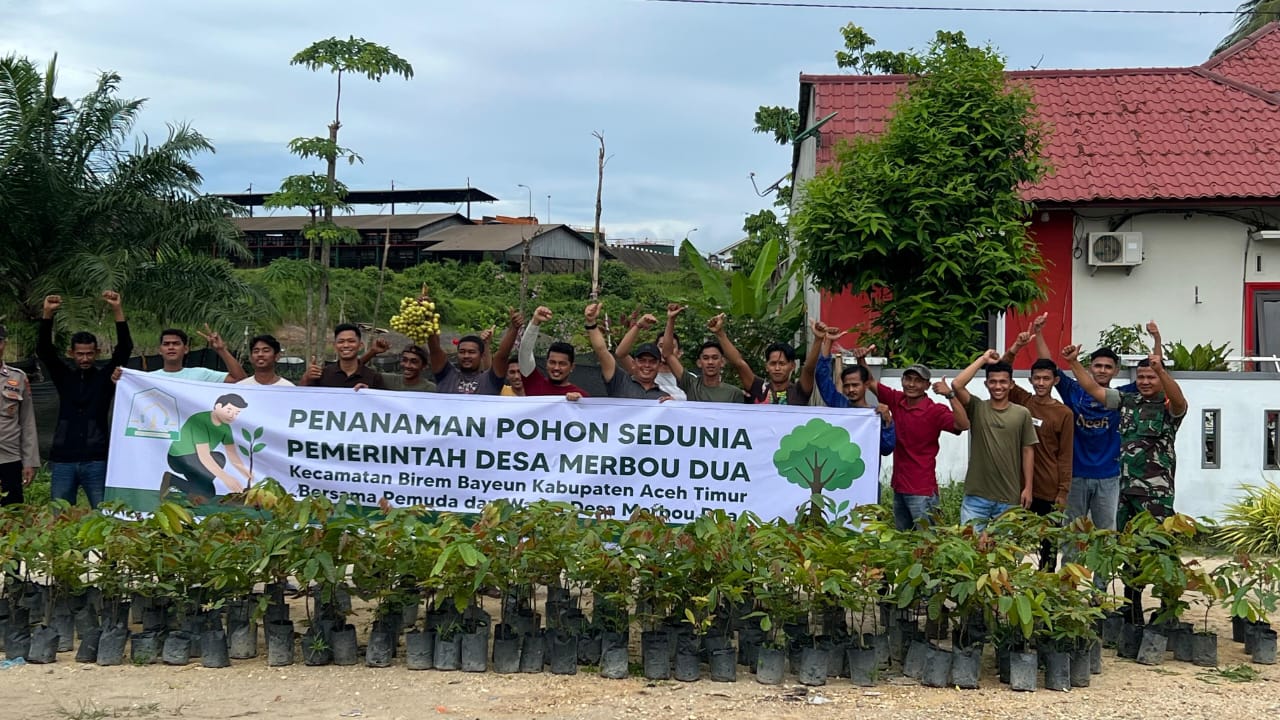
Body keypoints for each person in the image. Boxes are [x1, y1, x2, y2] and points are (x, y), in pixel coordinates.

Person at [1062, 322, 1187, 623]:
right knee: (1125, 548)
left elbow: (1179, 398)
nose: (1144, 381)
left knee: (1157, 548)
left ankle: (1167, 608)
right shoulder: (1126, 401)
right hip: (1123, 490)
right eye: (1141, 376)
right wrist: (1073, 363)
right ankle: (1132, 607)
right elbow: (1093, 388)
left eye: (1150, 376)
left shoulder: (1169, 408)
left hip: (1155, 495)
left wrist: (1160, 357)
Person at [1018, 313, 1130, 534]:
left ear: (1116, 370)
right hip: (1076, 475)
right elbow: (1049, 367)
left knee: (1105, 533)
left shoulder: (1123, 397)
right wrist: (1039, 333)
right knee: (1071, 533)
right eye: (1098, 366)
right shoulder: (1073, 390)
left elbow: (1153, 378)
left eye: (1108, 367)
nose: (1102, 370)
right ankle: (1070, 571)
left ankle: (1102, 571)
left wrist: (1156, 340)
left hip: (1108, 476)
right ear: (1089, 367)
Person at [37, 291, 133, 507]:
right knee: (60, 517)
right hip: (63, 459)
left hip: (96, 459)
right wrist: (47, 314)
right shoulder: (64, 377)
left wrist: (117, 310)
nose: (85, 358)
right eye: (80, 354)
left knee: (103, 516)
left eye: (89, 353)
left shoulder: (105, 378)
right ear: (71, 353)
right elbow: (45, 351)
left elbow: (124, 349)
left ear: (96, 352)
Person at [858, 349, 969, 529]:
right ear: (902, 381)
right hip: (899, 487)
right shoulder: (897, 400)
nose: (911, 384)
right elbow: (870, 381)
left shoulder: (935, 411)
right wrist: (861, 359)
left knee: (927, 544)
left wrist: (950, 395)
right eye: (908, 379)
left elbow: (963, 425)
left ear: (927, 385)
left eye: (918, 381)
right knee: (903, 543)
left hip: (922, 491)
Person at [999, 346, 1074, 569]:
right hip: (1019, 487)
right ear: (1030, 380)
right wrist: (1015, 349)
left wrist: (1063, 491)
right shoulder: (1023, 401)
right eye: (1037, 378)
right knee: (1013, 541)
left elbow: (1066, 454)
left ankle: (1046, 591)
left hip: (1050, 489)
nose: (1041, 383)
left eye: (1046, 379)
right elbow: (1001, 371)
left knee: (1048, 545)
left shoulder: (1064, 414)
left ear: (1055, 381)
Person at [949, 350, 1038, 529]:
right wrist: (982, 359)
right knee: (969, 551)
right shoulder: (977, 408)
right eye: (993, 382)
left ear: (1012, 384)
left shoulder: (1022, 414)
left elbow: (1028, 451)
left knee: (1006, 553)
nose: (998, 386)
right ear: (986, 384)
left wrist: (1028, 487)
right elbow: (957, 384)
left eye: (1003, 382)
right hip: (976, 496)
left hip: (1009, 497)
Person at [812, 322, 895, 457]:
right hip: (841, 473)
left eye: (855, 385)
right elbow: (821, 377)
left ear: (866, 385)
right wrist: (828, 342)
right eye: (846, 386)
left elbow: (886, 449)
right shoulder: (839, 405)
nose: (850, 389)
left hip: (866, 475)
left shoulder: (876, 414)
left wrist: (887, 421)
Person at [160, 394, 253, 501]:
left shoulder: (225, 427)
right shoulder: (200, 420)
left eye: (236, 413)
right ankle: (193, 491)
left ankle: (172, 480)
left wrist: (244, 471)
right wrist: (226, 478)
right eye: (229, 411)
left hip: (197, 461)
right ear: (218, 406)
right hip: (179, 458)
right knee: (218, 459)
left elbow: (232, 454)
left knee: (209, 493)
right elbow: (204, 456)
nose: (232, 415)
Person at [715, 321, 817, 406]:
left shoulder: (799, 392)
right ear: (766, 366)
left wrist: (818, 339)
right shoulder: (758, 388)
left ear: (792, 366)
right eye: (773, 363)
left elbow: (809, 368)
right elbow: (739, 363)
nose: (777, 368)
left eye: (782, 364)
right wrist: (720, 333)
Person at [657, 305, 744, 403]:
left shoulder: (734, 393)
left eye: (715, 358)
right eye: (706, 358)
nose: (710, 362)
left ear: (722, 362)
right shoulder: (691, 384)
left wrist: (720, 332)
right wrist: (671, 320)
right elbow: (667, 355)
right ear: (699, 362)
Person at [587, 303, 670, 400]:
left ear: (659, 366)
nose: (647, 365)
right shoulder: (619, 381)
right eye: (642, 360)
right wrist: (591, 323)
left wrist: (674, 406)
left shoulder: (664, 398)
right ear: (634, 363)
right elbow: (602, 351)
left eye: (652, 361)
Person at [428, 315, 517, 395]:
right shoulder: (446, 375)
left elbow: (502, 355)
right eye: (462, 352)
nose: (466, 356)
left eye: (471, 352)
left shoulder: (490, 380)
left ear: (481, 356)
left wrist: (514, 328)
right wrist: (428, 316)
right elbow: (434, 349)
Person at [0, 324, 39, 506]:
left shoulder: (18, 378)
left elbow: (27, 422)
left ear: (4, 344)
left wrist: (29, 462)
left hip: (10, 459)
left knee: (12, 517)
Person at [519, 306, 589, 397]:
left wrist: (581, 404)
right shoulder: (533, 382)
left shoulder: (581, 396)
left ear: (572, 367)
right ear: (546, 363)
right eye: (552, 362)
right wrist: (535, 322)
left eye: (562, 364)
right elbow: (525, 351)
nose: (556, 368)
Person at [301, 323, 386, 390]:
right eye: (341, 341)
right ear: (335, 346)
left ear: (360, 346)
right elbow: (299, 399)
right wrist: (306, 378)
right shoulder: (322, 375)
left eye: (351, 341)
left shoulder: (373, 377)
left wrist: (370, 394)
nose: (346, 345)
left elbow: (385, 404)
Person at [151, 325, 247, 383]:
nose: (171, 347)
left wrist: (221, 350)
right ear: (160, 350)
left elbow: (239, 379)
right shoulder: (148, 378)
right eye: (166, 344)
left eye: (176, 343)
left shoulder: (201, 375)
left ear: (186, 349)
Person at [362, 338, 437, 392]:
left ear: (424, 366)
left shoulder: (431, 389)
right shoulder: (389, 380)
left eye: (414, 362)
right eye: (404, 360)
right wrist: (372, 352)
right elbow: (355, 370)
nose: (407, 365)